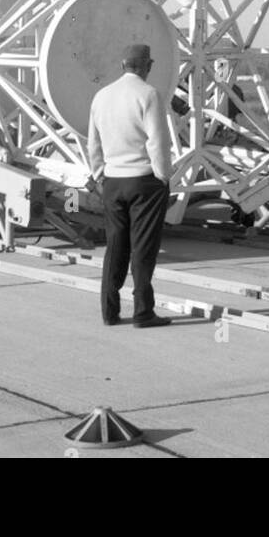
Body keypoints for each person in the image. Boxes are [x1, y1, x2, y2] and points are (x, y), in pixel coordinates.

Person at [86, 43, 173, 329]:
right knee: (142, 248)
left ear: (123, 65)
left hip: (113, 181)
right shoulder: (148, 94)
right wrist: (162, 175)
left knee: (115, 247)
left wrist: (99, 172)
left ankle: (109, 312)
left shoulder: (101, 96)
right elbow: (157, 141)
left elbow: (93, 142)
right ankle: (143, 312)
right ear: (148, 65)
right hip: (143, 181)